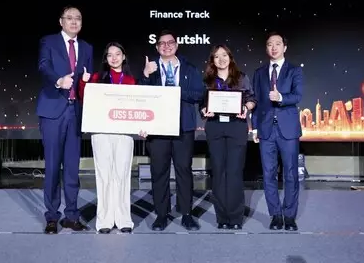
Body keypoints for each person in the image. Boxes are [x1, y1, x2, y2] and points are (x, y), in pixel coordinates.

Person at [139, 29, 204, 231]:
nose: (166, 46)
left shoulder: (189, 68)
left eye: (170, 43)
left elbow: (199, 94)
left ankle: (186, 214)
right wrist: (145, 75)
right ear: (157, 47)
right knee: (159, 171)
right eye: (162, 43)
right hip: (157, 128)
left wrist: (175, 92)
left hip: (183, 127)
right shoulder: (151, 68)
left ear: (176, 45)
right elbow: (141, 95)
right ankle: (161, 214)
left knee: (184, 171)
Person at [36, 6, 93, 234]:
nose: (74, 21)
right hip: (53, 110)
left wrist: (87, 80)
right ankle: (52, 216)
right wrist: (58, 81)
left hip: (75, 111)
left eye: (78, 18)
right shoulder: (48, 41)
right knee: (52, 166)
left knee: (72, 167)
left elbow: (86, 80)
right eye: (69, 18)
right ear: (61, 21)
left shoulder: (87, 47)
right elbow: (43, 66)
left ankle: (71, 215)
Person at [79, 42, 136, 234]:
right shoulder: (97, 77)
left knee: (122, 174)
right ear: (106, 58)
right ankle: (104, 220)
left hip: (124, 132)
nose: (114, 58)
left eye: (117, 54)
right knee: (104, 175)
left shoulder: (130, 81)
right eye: (110, 55)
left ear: (123, 56)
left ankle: (123, 219)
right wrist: (84, 82)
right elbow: (84, 98)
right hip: (101, 131)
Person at [251, 32, 303, 232]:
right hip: (266, 130)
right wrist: (255, 127)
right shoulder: (259, 73)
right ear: (266, 48)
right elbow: (255, 101)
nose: (274, 47)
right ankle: (275, 215)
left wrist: (281, 97)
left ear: (284, 47)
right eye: (270, 44)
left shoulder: (294, 70)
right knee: (268, 174)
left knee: (290, 174)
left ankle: (289, 216)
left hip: (288, 130)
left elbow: (297, 96)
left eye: (278, 44)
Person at [200, 44, 256, 230]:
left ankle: (236, 217)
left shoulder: (241, 77)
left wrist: (245, 107)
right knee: (218, 172)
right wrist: (204, 110)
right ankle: (222, 217)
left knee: (234, 172)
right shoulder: (207, 80)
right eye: (217, 56)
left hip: (236, 127)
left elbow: (252, 99)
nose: (221, 59)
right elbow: (201, 103)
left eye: (224, 55)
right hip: (215, 127)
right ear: (213, 61)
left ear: (230, 58)